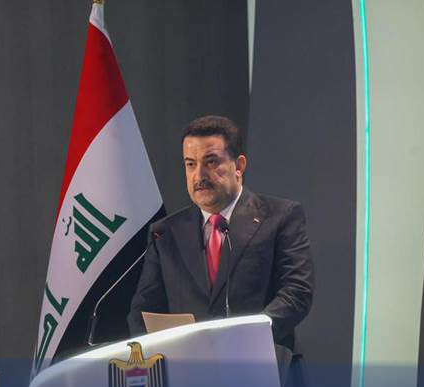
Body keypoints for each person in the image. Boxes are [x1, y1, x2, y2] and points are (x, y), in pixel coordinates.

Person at [127, 115, 314, 352]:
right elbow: (143, 311)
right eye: (190, 164)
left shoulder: (280, 217)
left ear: (239, 166)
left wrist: (247, 338)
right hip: (188, 368)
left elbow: (296, 293)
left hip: (262, 362)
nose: (199, 176)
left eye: (211, 162)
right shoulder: (165, 232)